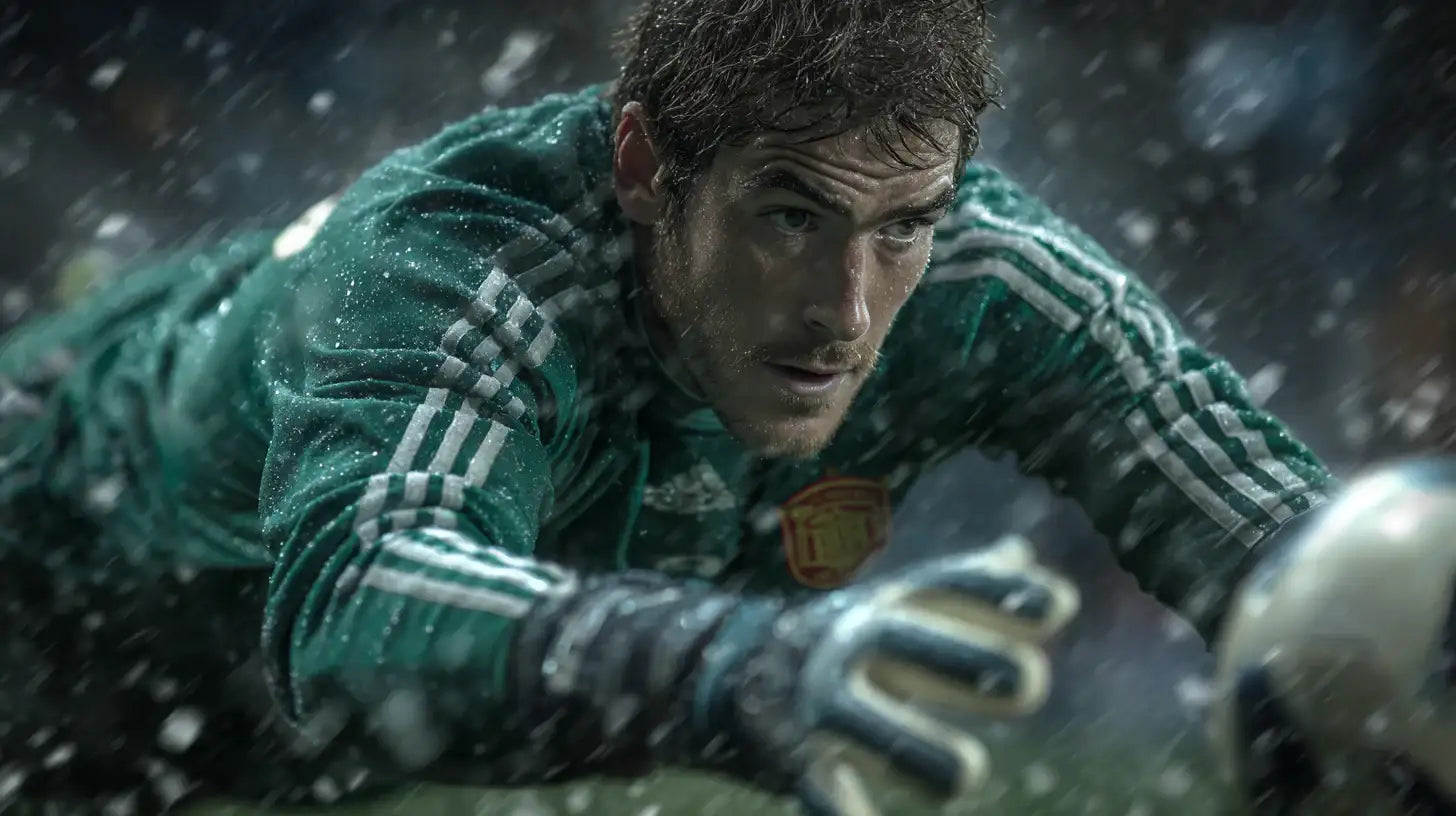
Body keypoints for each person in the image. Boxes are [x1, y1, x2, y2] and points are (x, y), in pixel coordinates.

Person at [0, 0, 1334, 813]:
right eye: (790, 214)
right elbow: (358, 604)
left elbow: (1295, 549)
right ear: (645, 164)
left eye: (905, 224)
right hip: (43, 601)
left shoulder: (981, 276)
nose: (849, 309)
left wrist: (1377, 652)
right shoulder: (457, 258)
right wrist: (721, 668)